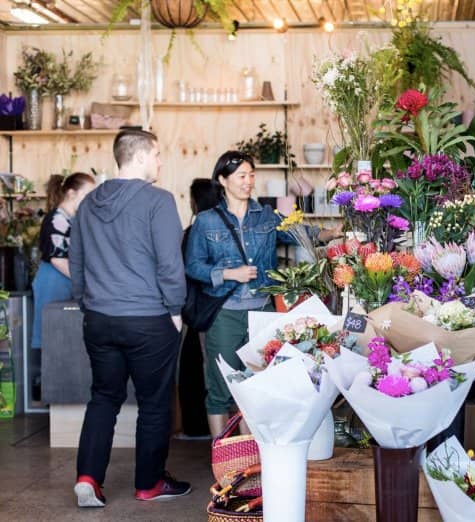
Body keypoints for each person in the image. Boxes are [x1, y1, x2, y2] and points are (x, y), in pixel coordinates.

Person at [70, 129, 189, 507]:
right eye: (157, 154)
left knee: (103, 397)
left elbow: (77, 262)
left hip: (100, 319)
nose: (160, 161)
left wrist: (86, 303)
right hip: (148, 319)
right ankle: (149, 484)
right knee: (154, 403)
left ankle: (88, 477)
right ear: (138, 157)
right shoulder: (158, 201)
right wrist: (175, 309)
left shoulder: (88, 204)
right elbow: (170, 263)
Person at [185, 150, 341, 437]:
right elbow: (193, 266)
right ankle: (223, 457)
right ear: (223, 180)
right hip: (226, 313)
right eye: (241, 176)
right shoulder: (207, 221)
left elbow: (298, 231)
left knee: (259, 384)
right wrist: (229, 274)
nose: (249, 181)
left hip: (263, 312)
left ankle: (254, 452)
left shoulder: (266, 217)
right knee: (221, 387)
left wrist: (330, 233)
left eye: (251, 175)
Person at [31, 172, 95, 351]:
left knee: (65, 338)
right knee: (53, 336)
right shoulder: (57, 219)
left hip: (66, 279)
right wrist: (83, 281)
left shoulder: (72, 219)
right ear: (72, 193)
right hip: (54, 280)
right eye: (87, 195)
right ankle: (50, 379)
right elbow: (58, 260)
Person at [178, 178, 220, 438]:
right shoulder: (223, 230)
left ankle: (198, 427)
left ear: (195, 202)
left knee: (195, 367)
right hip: (218, 307)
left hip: (197, 310)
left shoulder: (193, 232)